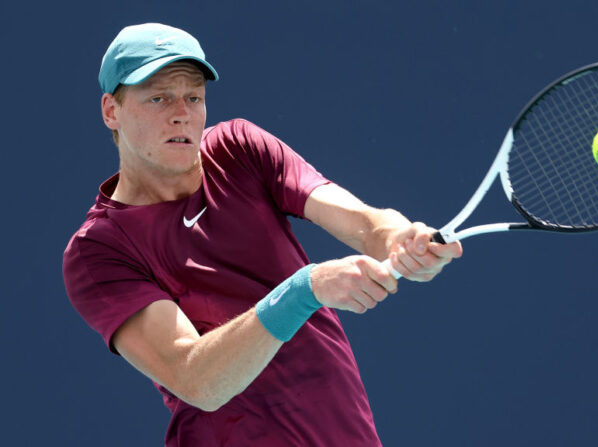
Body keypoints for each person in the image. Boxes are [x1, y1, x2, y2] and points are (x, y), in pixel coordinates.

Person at [62, 23, 462, 447]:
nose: (181, 112)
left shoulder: (239, 149)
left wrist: (402, 239)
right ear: (111, 110)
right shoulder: (98, 250)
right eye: (158, 97)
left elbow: (364, 222)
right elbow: (196, 379)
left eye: (193, 97)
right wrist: (304, 290)